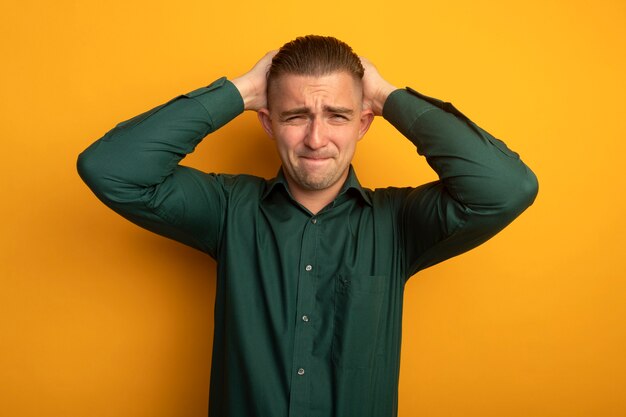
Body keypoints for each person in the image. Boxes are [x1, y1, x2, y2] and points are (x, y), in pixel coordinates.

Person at [77, 35, 538, 417]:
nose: (316, 139)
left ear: (362, 125)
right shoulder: (227, 209)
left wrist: (385, 96)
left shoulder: (398, 223)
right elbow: (111, 168)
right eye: (296, 116)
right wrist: (237, 90)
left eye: (337, 116)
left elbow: (507, 187)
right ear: (267, 123)